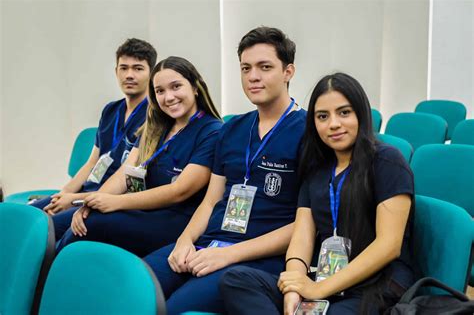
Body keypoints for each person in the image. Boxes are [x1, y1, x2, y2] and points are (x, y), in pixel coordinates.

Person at [219, 73, 415, 315]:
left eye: (344, 113)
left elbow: (389, 246)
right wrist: (294, 285)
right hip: (324, 275)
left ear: (361, 115)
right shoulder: (317, 169)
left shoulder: (386, 161)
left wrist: (318, 289)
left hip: (377, 282)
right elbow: (302, 237)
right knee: (236, 279)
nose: (333, 124)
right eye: (323, 116)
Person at [143, 26, 306, 314]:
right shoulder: (232, 128)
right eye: (246, 68)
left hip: (257, 258)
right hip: (208, 245)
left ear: (288, 72)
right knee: (134, 289)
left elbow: (306, 224)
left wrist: (228, 255)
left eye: (264, 67)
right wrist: (184, 241)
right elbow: (211, 200)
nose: (253, 76)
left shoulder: (308, 132)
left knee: (171, 309)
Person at [56, 56, 222, 257]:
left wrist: (115, 203)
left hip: (175, 220)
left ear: (195, 87)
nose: (168, 97)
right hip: (141, 211)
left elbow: (180, 190)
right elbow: (125, 173)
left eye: (176, 86)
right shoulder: (155, 127)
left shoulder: (212, 131)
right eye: (160, 91)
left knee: (90, 226)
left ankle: (49, 282)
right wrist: (93, 202)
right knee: (58, 223)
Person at [32, 38, 157, 239]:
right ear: (116, 71)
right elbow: (92, 162)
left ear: (152, 74)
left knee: (39, 230)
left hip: (107, 200)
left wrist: (74, 200)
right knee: (24, 215)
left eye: (138, 68)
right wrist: (62, 195)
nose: (130, 75)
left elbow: (131, 182)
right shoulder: (110, 110)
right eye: (124, 68)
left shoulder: (153, 118)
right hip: (82, 193)